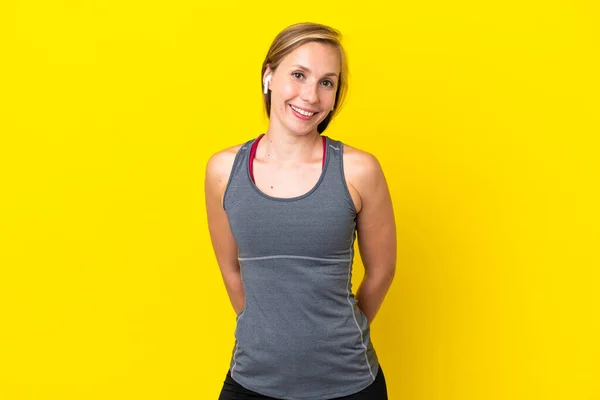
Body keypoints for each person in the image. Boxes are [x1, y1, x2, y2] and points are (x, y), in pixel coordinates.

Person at [205, 22, 396, 400]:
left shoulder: (360, 170)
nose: (311, 95)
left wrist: (340, 334)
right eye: (298, 75)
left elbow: (382, 271)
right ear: (268, 76)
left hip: (349, 384)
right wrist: (266, 333)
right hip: (252, 381)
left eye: (327, 82)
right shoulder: (222, 171)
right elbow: (230, 269)